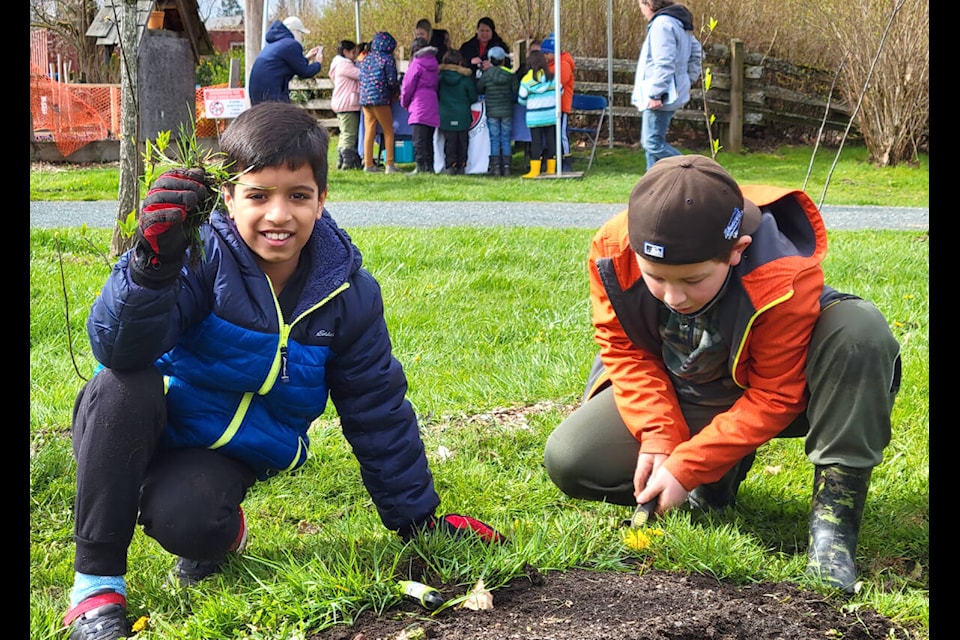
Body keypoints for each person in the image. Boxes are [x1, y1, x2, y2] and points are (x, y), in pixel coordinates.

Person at [61, 101, 505, 640]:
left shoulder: (347, 293)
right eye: (257, 195)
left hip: (228, 454)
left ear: (322, 201)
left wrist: (418, 519)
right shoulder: (197, 256)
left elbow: (376, 407)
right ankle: (96, 589)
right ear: (227, 198)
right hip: (142, 422)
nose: (278, 215)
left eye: (298, 195)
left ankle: (221, 529)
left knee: (190, 520)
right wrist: (152, 269)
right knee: (120, 383)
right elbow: (117, 348)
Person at [543, 155, 900, 595]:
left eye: (693, 279)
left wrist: (687, 466)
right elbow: (624, 349)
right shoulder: (613, 250)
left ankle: (832, 535)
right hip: (690, 384)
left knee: (858, 330)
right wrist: (659, 438)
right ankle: (717, 478)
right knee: (573, 458)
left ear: (736, 250)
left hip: (789, 389)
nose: (674, 296)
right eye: (656, 278)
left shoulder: (782, 274)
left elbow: (774, 395)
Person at [631, 0, 702, 170]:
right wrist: (686, 80)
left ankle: (694, 169)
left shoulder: (662, 25)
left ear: (649, 4)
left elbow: (664, 63)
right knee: (653, 150)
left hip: (660, 96)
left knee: (652, 143)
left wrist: (656, 94)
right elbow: (697, 53)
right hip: (669, 92)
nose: (641, 11)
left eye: (641, 5)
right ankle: (654, 190)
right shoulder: (679, 23)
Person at [248, 16, 323, 105]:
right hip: (272, 94)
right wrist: (318, 63)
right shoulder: (291, 44)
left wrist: (307, 58)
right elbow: (305, 72)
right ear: (295, 31)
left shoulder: (273, 44)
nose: (301, 37)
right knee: (284, 117)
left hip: (258, 94)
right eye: (300, 33)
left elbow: (292, 66)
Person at [359, 31, 402, 173]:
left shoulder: (366, 58)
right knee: (388, 130)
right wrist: (396, 91)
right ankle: (389, 164)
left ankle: (368, 164)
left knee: (369, 130)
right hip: (381, 98)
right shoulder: (387, 59)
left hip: (365, 99)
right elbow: (391, 81)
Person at [476, 45, 519, 177]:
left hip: (492, 111)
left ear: (490, 59)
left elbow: (479, 88)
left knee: (494, 139)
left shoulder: (487, 75)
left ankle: (496, 168)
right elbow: (516, 91)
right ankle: (507, 168)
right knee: (505, 138)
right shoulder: (510, 75)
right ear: (502, 60)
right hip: (506, 111)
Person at [400, 37, 441, 174]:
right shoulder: (434, 63)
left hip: (419, 102)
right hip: (432, 101)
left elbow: (407, 86)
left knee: (419, 140)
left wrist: (404, 102)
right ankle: (429, 166)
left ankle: (420, 167)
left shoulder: (416, 64)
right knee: (428, 138)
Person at [518, 50, 558, 178]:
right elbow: (560, 91)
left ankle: (535, 170)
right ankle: (551, 169)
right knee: (551, 141)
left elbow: (521, 98)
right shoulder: (553, 77)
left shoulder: (526, 80)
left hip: (534, 116)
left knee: (536, 142)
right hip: (550, 114)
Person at [436, 49, 477, 175]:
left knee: (449, 141)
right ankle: (462, 165)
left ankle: (450, 165)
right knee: (463, 141)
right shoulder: (465, 79)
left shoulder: (439, 78)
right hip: (463, 114)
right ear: (460, 62)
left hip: (446, 115)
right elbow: (473, 97)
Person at [540, 33, 576, 171]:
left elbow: (558, 81)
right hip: (549, 105)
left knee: (561, 134)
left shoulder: (563, 64)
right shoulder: (551, 64)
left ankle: (566, 159)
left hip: (561, 106)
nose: (544, 56)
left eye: (546, 53)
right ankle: (551, 159)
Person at [328, 39, 363, 170]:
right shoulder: (345, 65)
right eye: (353, 52)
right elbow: (361, 75)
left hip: (342, 103)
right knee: (350, 133)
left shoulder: (338, 64)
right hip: (348, 103)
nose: (355, 55)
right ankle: (348, 161)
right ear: (345, 52)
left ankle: (341, 160)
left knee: (344, 133)